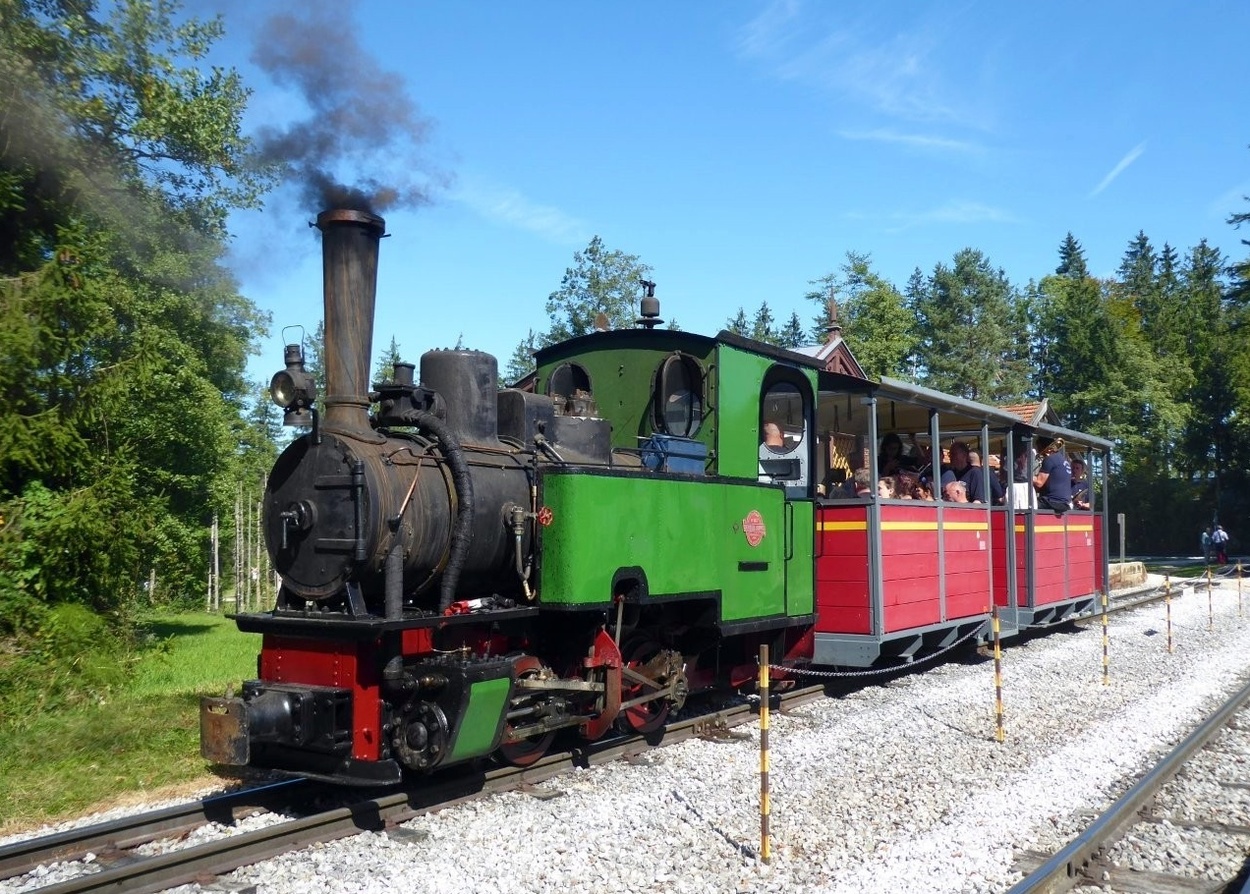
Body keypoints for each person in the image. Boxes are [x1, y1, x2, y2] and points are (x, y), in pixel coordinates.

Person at [1033, 440, 1071, 514]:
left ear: (1041, 446)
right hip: (1064, 503)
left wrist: (1026, 476)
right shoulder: (1063, 460)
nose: (1038, 451)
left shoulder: (1049, 459)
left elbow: (1039, 482)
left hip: (1052, 501)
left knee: (1025, 503)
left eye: (1038, 447)